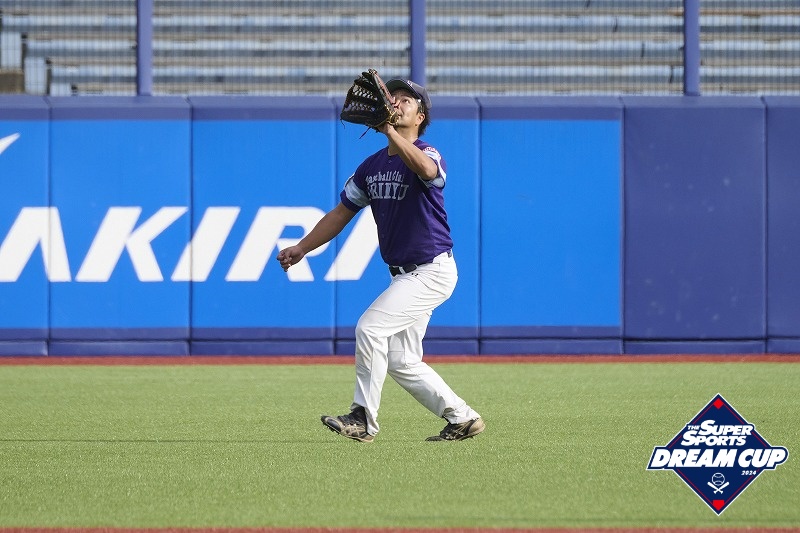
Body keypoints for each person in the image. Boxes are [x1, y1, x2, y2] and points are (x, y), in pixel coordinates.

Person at [277, 77, 484, 443]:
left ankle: (362, 418)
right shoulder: (371, 166)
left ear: (420, 117)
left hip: (431, 270)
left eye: (407, 100)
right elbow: (341, 213)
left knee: (370, 329)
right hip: (404, 275)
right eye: (394, 97)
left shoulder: (428, 152)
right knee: (402, 360)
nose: (398, 102)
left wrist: (389, 131)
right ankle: (463, 418)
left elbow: (427, 171)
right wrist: (303, 247)